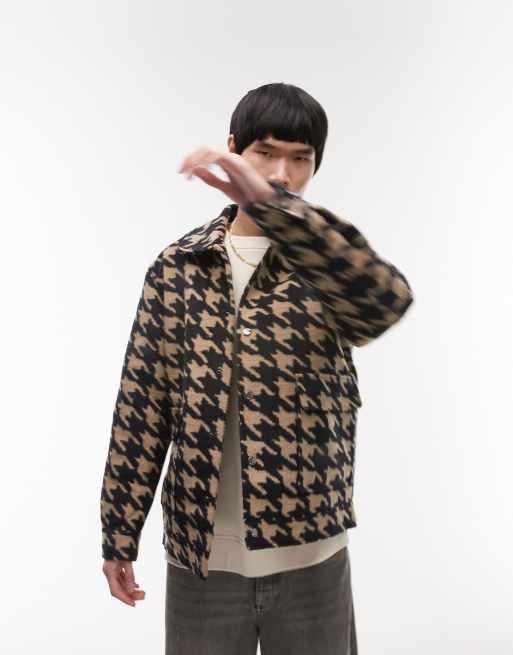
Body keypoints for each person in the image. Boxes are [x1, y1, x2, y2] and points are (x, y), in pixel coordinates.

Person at [100, 82, 414, 654]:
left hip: (312, 556)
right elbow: (142, 407)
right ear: (233, 149)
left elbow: (386, 302)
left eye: (300, 158)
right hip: (202, 561)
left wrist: (278, 211)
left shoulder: (326, 261)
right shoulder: (178, 268)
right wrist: (119, 532)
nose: (281, 173)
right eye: (264, 153)